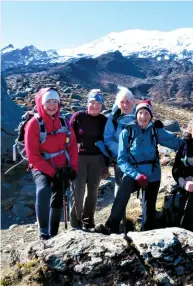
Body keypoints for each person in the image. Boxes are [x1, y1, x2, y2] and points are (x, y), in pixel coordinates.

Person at [95, 100, 184, 234]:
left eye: (146, 113)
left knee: (149, 208)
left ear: (151, 115)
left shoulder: (155, 131)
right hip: (134, 173)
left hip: (152, 174)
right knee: (123, 192)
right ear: (136, 115)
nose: (143, 116)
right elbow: (122, 160)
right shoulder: (127, 132)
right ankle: (111, 226)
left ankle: (147, 234)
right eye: (140, 113)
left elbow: (177, 143)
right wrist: (137, 175)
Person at [25, 87, 78, 239]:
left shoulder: (64, 123)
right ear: (41, 103)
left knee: (59, 194)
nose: (52, 105)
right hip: (41, 165)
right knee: (43, 190)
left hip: (62, 164)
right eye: (48, 101)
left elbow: (73, 146)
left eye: (55, 101)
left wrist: (73, 168)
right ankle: (43, 231)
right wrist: (54, 173)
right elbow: (33, 156)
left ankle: (53, 232)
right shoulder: (34, 124)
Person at [69, 89, 108, 230]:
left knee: (92, 192)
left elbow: (107, 142)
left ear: (102, 105)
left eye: (98, 103)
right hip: (78, 158)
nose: (95, 106)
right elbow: (68, 138)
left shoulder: (104, 120)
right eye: (92, 102)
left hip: (97, 159)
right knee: (77, 192)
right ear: (87, 103)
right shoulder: (78, 117)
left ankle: (88, 221)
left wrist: (106, 165)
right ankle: (75, 223)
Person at [104, 86, 135, 197]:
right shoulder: (113, 118)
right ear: (118, 103)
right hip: (119, 158)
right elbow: (107, 138)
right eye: (122, 102)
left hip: (138, 156)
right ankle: (120, 213)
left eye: (128, 101)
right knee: (120, 183)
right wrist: (122, 150)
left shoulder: (140, 115)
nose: (125, 105)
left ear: (133, 101)